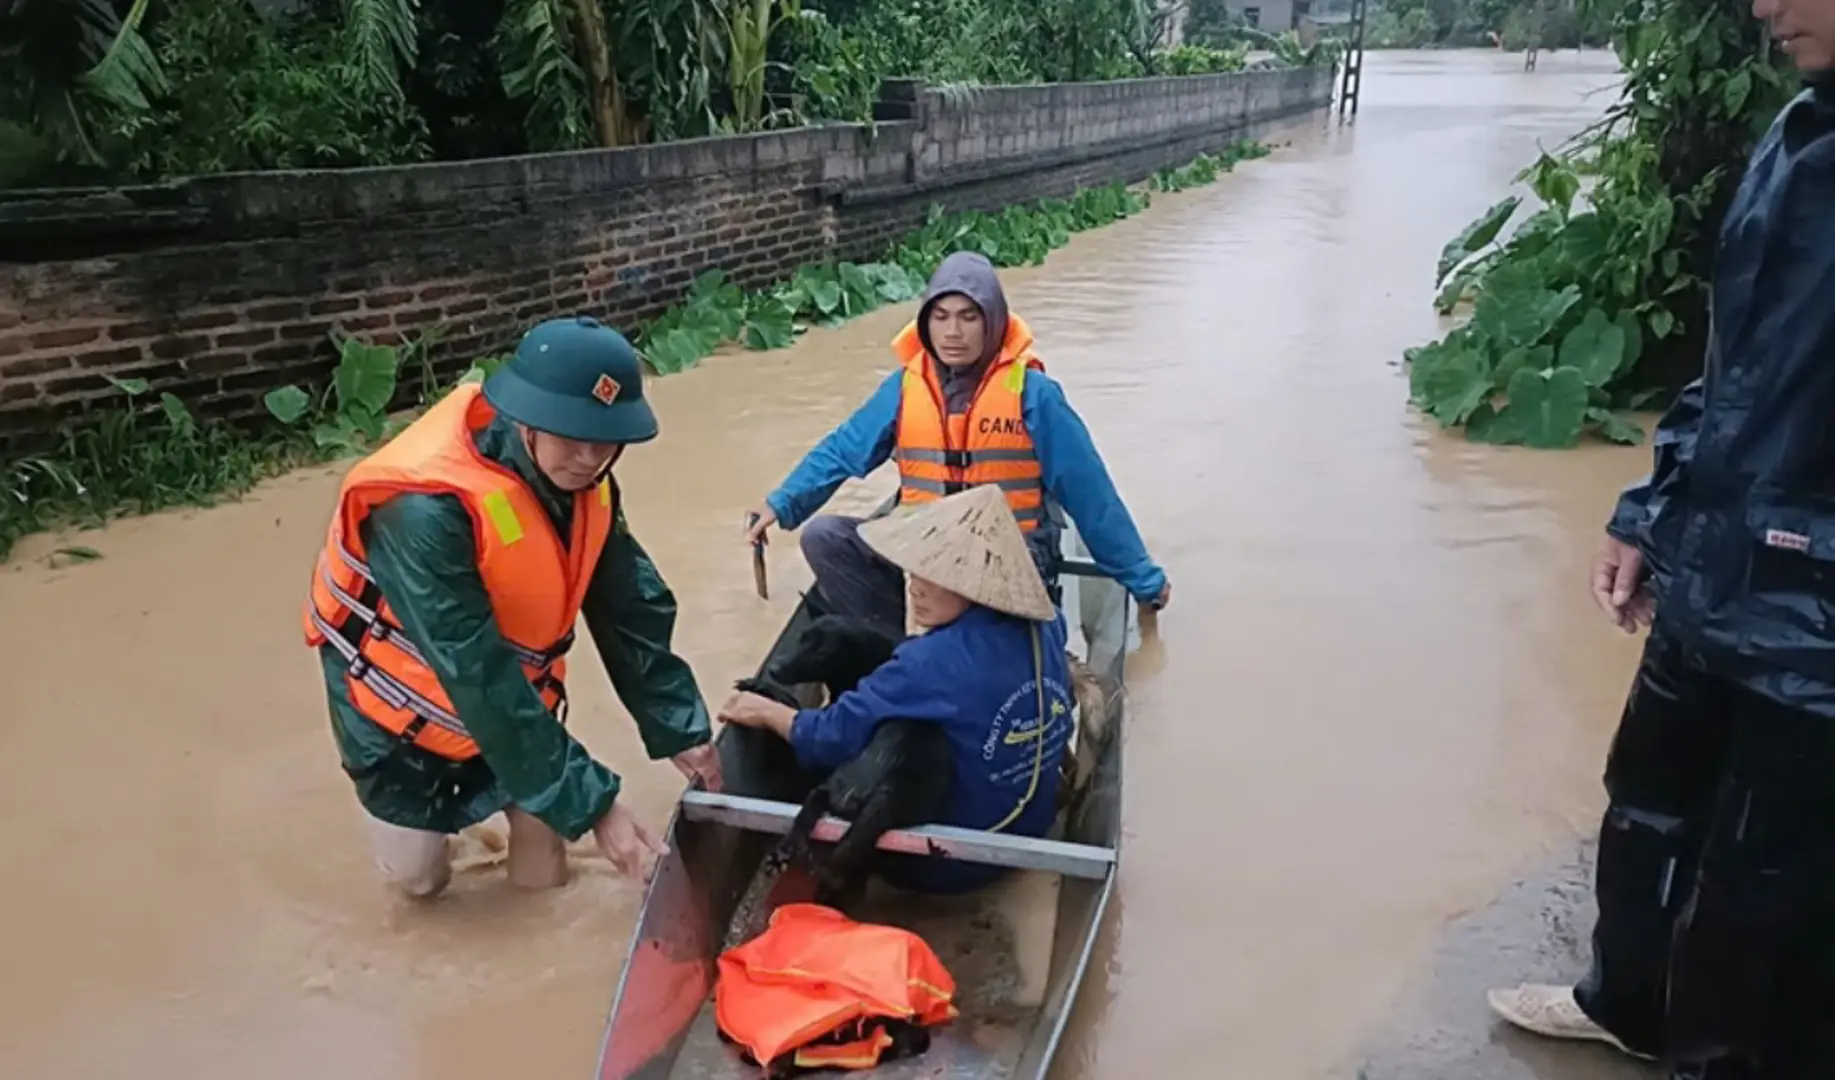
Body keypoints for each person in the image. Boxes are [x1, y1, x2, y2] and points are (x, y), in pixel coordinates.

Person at [1486, 7, 1835, 1076]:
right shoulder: (1793, 137)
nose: (1765, 8)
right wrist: (1649, 509)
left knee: (1762, 906)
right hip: (1713, 568)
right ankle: (1623, 1002)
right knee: (1642, 806)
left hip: (1814, 621)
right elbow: (1729, 367)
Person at [303, 316, 722, 900]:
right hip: (399, 717)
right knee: (420, 882)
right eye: (570, 435)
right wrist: (598, 806)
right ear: (526, 419)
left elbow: (631, 607)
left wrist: (682, 729)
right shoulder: (423, 511)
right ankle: (447, 833)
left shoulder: (590, 482)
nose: (588, 457)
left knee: (545, 872)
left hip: (516, 705)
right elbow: (476, 671)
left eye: (605, 440)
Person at [742, 251, 1169, 638]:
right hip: (925, 551)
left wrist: (1143, 580)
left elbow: (1090, 494)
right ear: (925, 323)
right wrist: (781, 503)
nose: (953, 332)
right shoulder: (905, 388)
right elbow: (843, 450)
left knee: (984, 618)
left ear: (994, 321)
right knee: (825, 537)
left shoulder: (1034, 394)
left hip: (1007, 559)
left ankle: (967, 653)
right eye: (941, 316)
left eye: (969, 317)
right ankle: (897, 651)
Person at [718, 483, 1074, 894]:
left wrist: (765, 711)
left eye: (935, 577)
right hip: (1030, 825)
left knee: (853, 738)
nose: (914, 587)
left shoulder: (931, 662)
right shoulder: (1049, 624)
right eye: (915, 572)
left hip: (950, 864)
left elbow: (828, 737)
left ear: (976, 586)